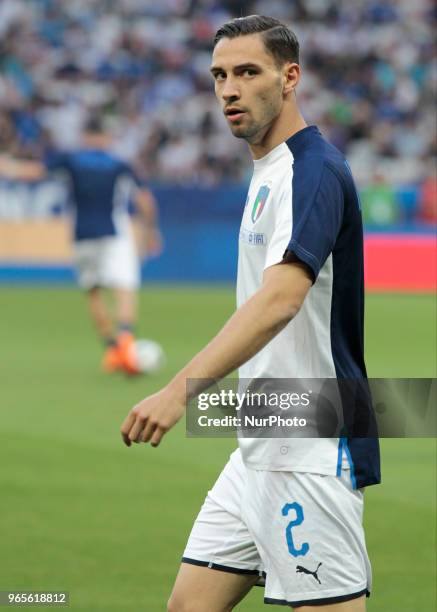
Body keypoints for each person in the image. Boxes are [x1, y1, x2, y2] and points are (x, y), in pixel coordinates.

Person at [120, 15, 380, 611]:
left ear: (290, 78)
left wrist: (180, 392)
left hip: (311, 447)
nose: (229, 89)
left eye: (247, 72)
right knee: (188, 606)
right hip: (262, 442)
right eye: (218, 75)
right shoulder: (269, 170)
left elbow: (281, 299)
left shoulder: (311, 170)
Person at [0, 116, 162, 374]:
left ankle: (111, 351)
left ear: (85, 137)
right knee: (125, 288)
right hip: (113, 233)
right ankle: (125, 342)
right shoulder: (120, 164)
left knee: (93, 291)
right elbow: (144, 198)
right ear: (107, 138)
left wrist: (8, 167)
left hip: (81, 235)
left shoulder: (72, 160)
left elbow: (35, 172)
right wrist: (151, 231)